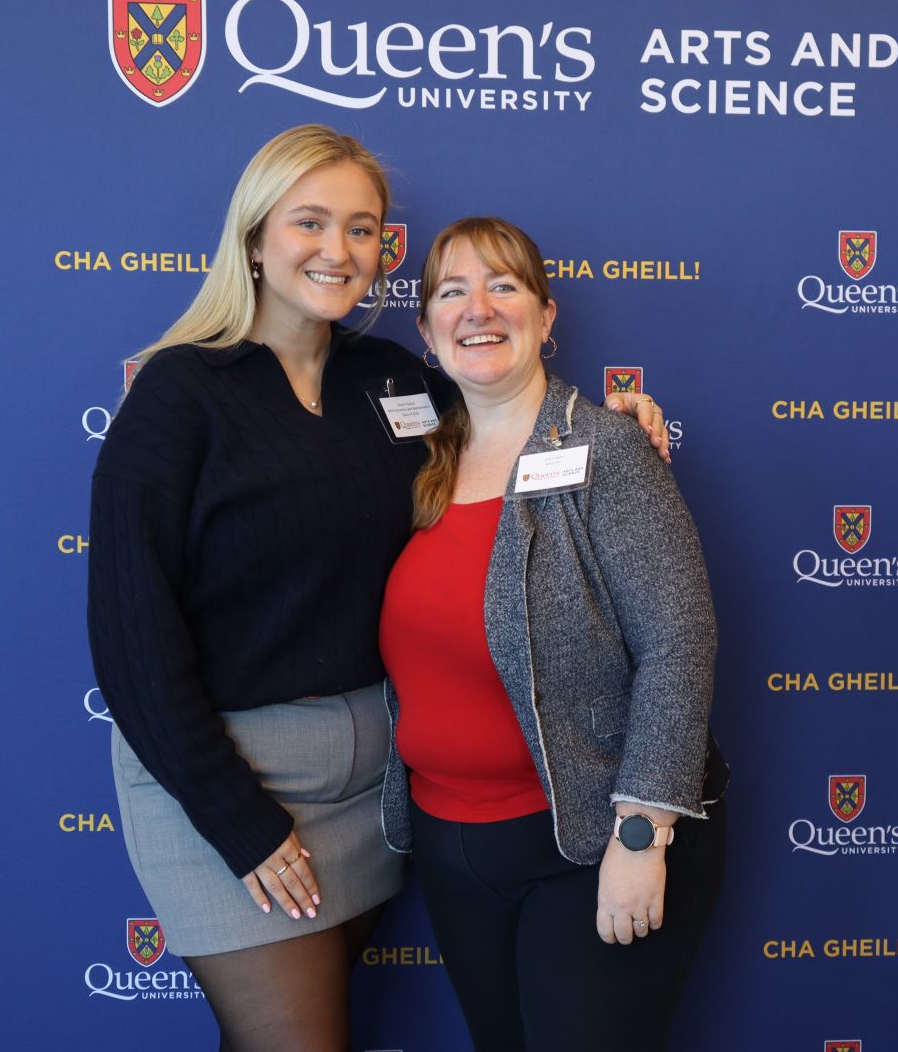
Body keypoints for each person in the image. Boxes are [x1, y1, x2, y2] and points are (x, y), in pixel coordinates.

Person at [87, 128, 670, 1052]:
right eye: (309, 222)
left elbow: (505, 421)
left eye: (363, 229)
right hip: (227, 771)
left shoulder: (391, 378)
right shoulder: (180, 393)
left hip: (379, 780)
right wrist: (237, 817)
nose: (338, 249)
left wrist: (610, 426)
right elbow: (130, 635)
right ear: (254, 239)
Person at [378, 217, 727, 1052]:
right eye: (451, 292)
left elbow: (680, 640)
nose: (479, 308)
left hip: (587, 843)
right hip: (451, 848)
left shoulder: (608, 446)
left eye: (503, 285)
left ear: (545, 314)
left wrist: (641, 836)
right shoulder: (416, 464)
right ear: (425, 331)